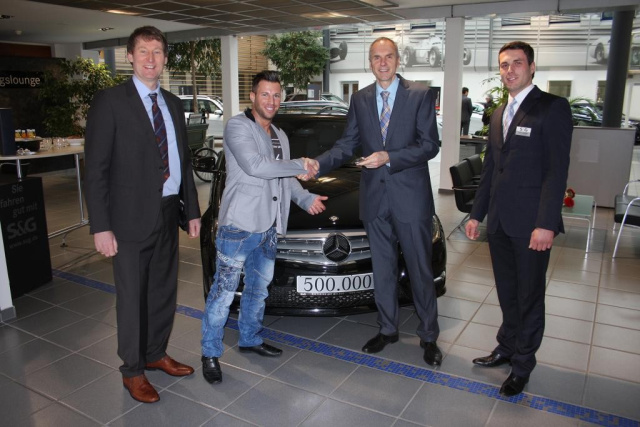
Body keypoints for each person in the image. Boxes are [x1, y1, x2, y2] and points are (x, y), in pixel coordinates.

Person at [306, 37, 442, 367]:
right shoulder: (361, 98)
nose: (383, 62)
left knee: (420, 269)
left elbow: (430, 145)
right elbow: (347, 143)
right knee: (382, 269)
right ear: (370, 63)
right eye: (377, 57)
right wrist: (316, 165)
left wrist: (389, 157)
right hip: (374, 200)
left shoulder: (420, 95)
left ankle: (428, 335)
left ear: (398, 60)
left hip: (411, 200)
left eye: (388, 56)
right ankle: (387, 329)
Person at [84, 26, 201, 404]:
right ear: (130, 57)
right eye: (144, 51)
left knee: (163, 291)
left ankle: (154, 353)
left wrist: (192, 210)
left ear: (165, 58)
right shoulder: (110, 102)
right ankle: (132, 370)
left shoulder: (173, 103)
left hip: (167, 214)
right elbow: (96, 169)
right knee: (132, 298)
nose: (151, 59)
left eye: (157, 52)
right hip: (127, 220)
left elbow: (183, 161)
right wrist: (101, 226)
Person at [200, 71, 327, 385]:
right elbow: (256, 166)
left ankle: (250, 338)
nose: (271, 101)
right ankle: (210, 352)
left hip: (269, 226)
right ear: (253, 97)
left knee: (258, 290)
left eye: (276, 95)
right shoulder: (237, 127)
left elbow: (283, 177)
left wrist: (305, 197)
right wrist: (301, 164)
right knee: (223, 293)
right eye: (265, 94)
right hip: (239, 227)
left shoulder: (280, 135)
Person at [465, 41, 572, 397]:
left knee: (529, 297)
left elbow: (556, 171)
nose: (509, 70)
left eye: (517, 63)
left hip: (531, 225)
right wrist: (476, 214)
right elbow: (491, 170)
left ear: (532, 67)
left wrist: (546, 223)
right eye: (504, 64)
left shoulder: (552, 108)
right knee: (508, 293)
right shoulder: (499, 113)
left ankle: (523, 365)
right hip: (499, 222)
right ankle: (507, 347)